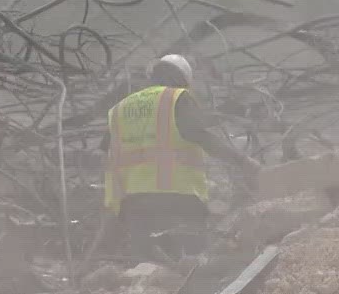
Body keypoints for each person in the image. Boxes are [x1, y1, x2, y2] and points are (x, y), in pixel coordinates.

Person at [86, 54, 261, 263]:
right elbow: (199, 136)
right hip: (177, 198)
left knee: (149, 268)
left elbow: (103, 153)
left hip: (132, 203)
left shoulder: (122, 108)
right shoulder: (176, 98)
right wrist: (242, 161)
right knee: (195, 261)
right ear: (182, 80)